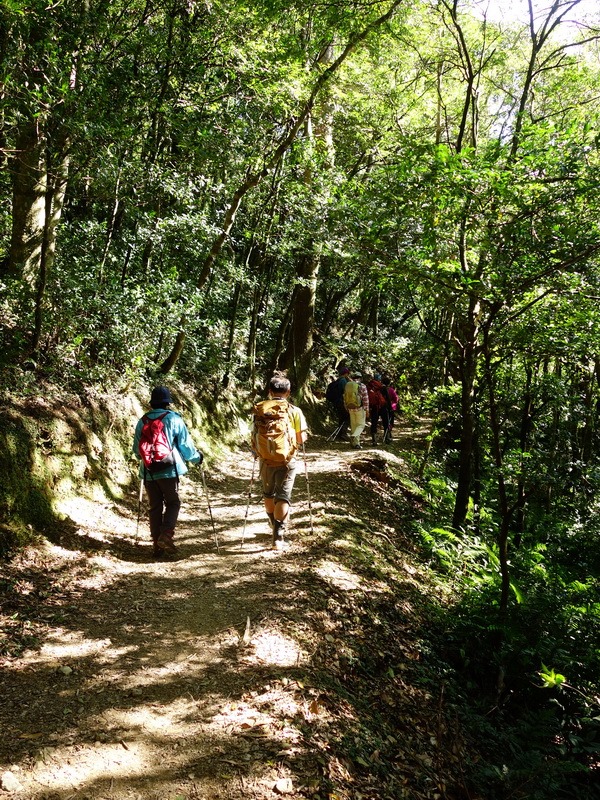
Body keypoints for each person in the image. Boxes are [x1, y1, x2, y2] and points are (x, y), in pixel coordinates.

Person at [133, 386, 203, 557]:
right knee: (173, 503)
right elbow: (186, 447)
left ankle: (156, 545)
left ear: (152, 402)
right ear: (167, 403)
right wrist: (197, 458)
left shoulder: (142, 421)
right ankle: (166, 535)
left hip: (149, 471)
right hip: (169, 470)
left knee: (154, 506)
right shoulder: (174, 419)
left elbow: (137, 451)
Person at [252, 374, 308, 551]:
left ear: (270, 391)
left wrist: (257, 451)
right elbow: (301, 438)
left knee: (268, 494)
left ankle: (272, 522)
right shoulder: (294, 411)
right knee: (283, 496)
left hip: (265, 459)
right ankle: (278, 537)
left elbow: (253, 434)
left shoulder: (260, 409)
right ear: (289, 392)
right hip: (287, 459)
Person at [343, 371, 369, 449]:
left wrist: (346, 407)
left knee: (354, 426)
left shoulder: (348, 385)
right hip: (360, 409)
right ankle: (354, 438)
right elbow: (365, 398)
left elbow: (345, 397)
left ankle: (355, 443)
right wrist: (367, 410)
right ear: (360, 378)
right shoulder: (362, 386)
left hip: (350, 408)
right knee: (361, 425)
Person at [325, 366, 351, 439]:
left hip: (336, 402)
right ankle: (343, 433)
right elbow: (345, 392)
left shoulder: (337, 381)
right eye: (348, 373)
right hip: (341, 402)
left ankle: (340, 433)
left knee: (341, 417)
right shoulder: (343, 381)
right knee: (347, 417)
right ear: (346, 373)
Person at [367, 375, 390, 446]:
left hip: (374, 407)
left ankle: (374, 440)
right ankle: (386, 438)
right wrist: (390, 408)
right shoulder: (383, 387)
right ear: (380, 380)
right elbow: (388, 399)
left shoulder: (370, 386)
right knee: (385, 422)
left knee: (374, 422)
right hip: (383, 407)